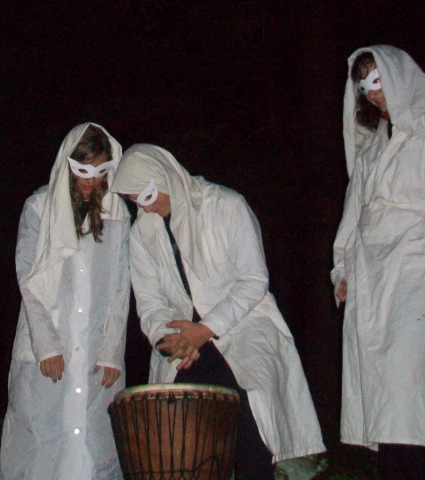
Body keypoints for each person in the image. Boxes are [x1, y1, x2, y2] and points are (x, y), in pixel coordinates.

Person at [111, 144, 325, 480]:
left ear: (167, 177)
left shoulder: (225, 205)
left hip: (243, 328)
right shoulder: (141, 233)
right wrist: (167, 339)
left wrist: (207, 328)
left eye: (149, 195)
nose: (147, 207)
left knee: (252, 425)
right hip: (184, 346)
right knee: (178, 436)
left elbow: (253, 280)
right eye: (136, 200)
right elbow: (150, 302)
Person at [332, 45, 425, 479]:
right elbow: (355, 211)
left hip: (419, 266)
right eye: (363, 85)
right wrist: (343, 268)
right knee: (386, 399)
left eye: (378, 80)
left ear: (398, 73)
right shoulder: (373, 143)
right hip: (373, 276)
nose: (372, 92)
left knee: (413, 393)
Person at [0, 123, 130, 480]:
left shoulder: (117, 213)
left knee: (93, 447)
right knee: (41, 444)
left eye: (100, 171)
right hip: (50, 348)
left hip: (95, 351)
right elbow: (29, 280)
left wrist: (111, 351)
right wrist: (46, 344)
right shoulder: (39, 207)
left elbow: (120, 288)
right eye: (83, 170)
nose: (92, 180)